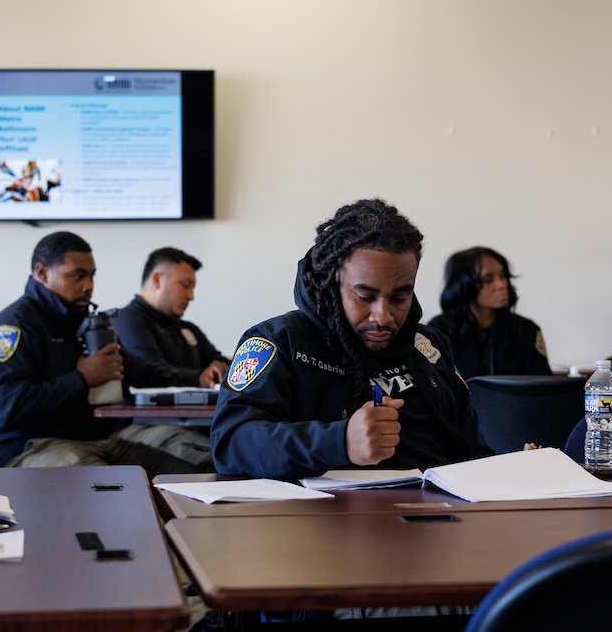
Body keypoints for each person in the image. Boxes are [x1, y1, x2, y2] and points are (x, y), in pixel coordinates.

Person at [211, 198, 493, 480]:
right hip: (323, 518)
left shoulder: (430, 348)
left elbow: (473, 454)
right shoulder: (279, 342)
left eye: (399, 297)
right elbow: (231, 443)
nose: (382, 316)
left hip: (437, 514)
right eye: (365, 296)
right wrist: (339, 441)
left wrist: (513, 469)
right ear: (333, 283)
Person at [0, 231, 217, 474]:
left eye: (91, 276)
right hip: (29, 446)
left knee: (188, 473)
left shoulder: (84, 323)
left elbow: (138, 370)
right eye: (77, 276)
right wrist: (82, 379)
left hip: (95, 440)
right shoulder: (12, 329)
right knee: (104, 492)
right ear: (43, 273)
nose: (88, 286)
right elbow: (5, 409)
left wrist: (196, 378)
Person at [425, 247, 551, 378]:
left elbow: (542, 386)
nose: (501, 284)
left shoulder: (527, 330)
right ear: (465, 285)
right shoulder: (440, 330)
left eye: (502, 276)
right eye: (488, 279)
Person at [112, 247, 229, 386]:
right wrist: (198, 377)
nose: (191, 296)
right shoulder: (126, 321)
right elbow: (150, 374)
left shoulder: (189, 329)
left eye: (193, 288)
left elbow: (217, 362)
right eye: (185, 285)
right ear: (157, 280)